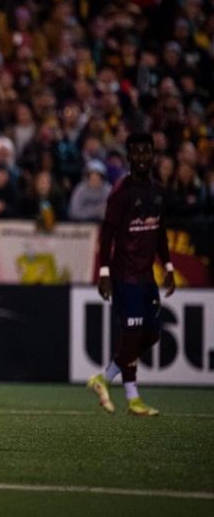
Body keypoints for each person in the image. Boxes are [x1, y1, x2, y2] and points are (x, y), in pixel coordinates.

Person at [87, 132, 176, 416]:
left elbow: (160, 232)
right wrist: (104, 273)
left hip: (147, 277)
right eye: (135, 152)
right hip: (125, 276)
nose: (141, 157)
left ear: (152, 155)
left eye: (145, 152)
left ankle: (105, 378)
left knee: (151, 336)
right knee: (132, 336)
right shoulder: (121, 192)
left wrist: (168, 266)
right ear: (128, 156)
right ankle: (133, 399)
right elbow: (107, 234)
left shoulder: (158, 191)